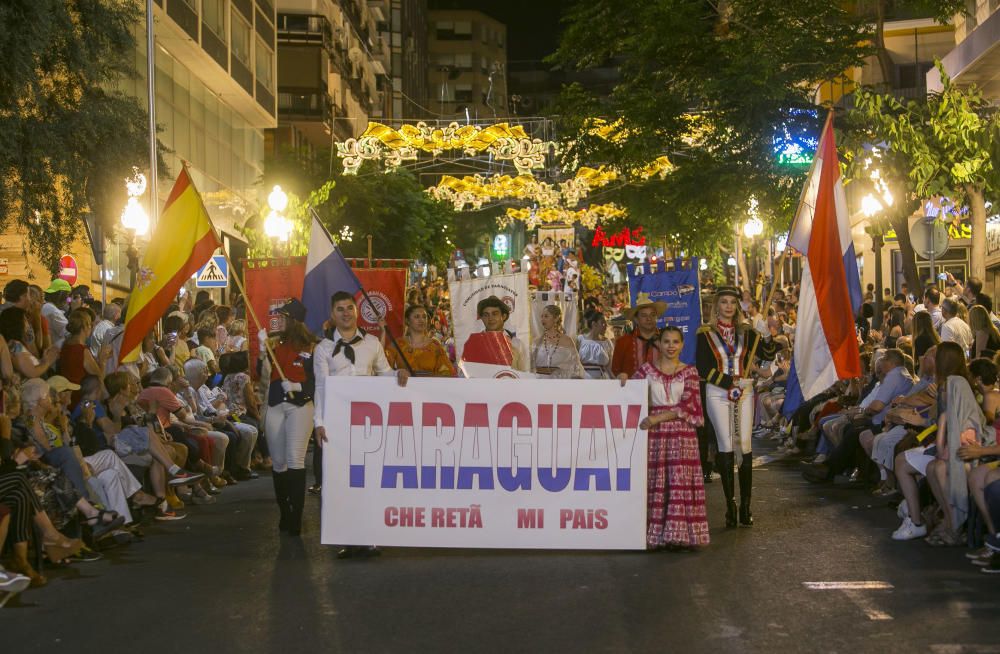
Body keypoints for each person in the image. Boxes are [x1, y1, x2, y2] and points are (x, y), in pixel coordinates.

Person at [314, 291, 408, 556]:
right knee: (340, 482)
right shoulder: (322, 349)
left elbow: (385, 373)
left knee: (368, 480)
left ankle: (369, 536)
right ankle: (347, 538)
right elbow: (321, 387)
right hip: (337, 423)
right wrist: (318, 422)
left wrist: (397, 373)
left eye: (349, 308)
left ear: (357, 312)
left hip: (367, 422)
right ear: (332, 314)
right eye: (340, 309)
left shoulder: (371, 343)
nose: (346, 313)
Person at [695, 287, 775, 528]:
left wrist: (767, 335)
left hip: (745, 391)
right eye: (724, 302)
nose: (728, 306)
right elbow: (703, 368)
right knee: (726, 444)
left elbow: (767, 354)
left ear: (737, 307)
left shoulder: (747, 332)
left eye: (732, 303)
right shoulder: (704, 334)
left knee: (745, 445)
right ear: (716, 306)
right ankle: (730, 506)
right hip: (718, 392)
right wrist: (729, 382)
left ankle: (746, 506)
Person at [633, 326, 708, 549]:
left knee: (678, 482)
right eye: (666, 341)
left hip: (681, 435)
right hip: (654, 436)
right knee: (656, 481)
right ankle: (655, 535)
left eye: (675, 342)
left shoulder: (690, 372)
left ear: (682, 345)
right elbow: (629, 393)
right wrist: (623, 377)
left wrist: (657, 419)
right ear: (659, 344)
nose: (671, 346)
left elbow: (689, 405)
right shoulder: (645, 371)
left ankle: (681, 535)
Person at [261, 299, 316, 537]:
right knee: (279, 461)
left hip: (300, 405)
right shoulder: (274, 344)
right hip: (275, 403)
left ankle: (296, 517)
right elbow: (261, 377)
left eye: (283, 316)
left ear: (293, 320)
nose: (278, 320)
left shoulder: (313, 346)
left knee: (295, 459)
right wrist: (262, 353)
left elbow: (318, 381)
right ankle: (284, 511)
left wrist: (299, 386)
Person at [386, 305, 455, 377]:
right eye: (416, 316)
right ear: (407, 321)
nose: (421, 320)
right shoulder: (398, 344)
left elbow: (448, 372)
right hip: (403, 386)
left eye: (424, 317)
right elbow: (384, 369)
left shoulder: (435, 345)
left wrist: (428, 377)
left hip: (429, 386)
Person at [467, 296, 530, 372]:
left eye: (495, 314)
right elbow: (465, 374)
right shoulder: (474, 343)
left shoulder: (516, 343)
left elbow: (525, 373)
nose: (490, 318)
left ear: (503, 316)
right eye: (486, 315)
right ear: (482, 318)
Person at [612, 299, 667, 380]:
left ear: (656, 317)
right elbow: (615, 369)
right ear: (636, 319)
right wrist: (620, 376)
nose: (649, 319)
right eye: (644, 315)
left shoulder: (666, 340)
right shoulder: (623, 342)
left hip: (661, 390)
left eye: (652, 315)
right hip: (632, 391)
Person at [531, 304, 584, 379]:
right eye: (541, 316)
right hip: (540, 382)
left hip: (559, 382)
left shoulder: (567, 340)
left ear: (556, 318)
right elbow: (531, 366)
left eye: (546, 316)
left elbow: (576, 366)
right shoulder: (537, 341)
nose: (542, 319)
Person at [577, 312, 614, 379]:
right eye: (603, 323)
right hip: (583, 378)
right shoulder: (580, 339)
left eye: (606, 323)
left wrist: (613, 379)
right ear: (594, 324)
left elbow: (609, 367)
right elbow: (575, 362)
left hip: (601, 378)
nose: (605, 326)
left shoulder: (607, 342)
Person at [41, 279, 71, 348]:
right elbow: (69, 333)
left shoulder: (46, 306)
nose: (69, 300)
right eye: (67, 296)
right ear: (61, 296)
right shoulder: (53, 310)